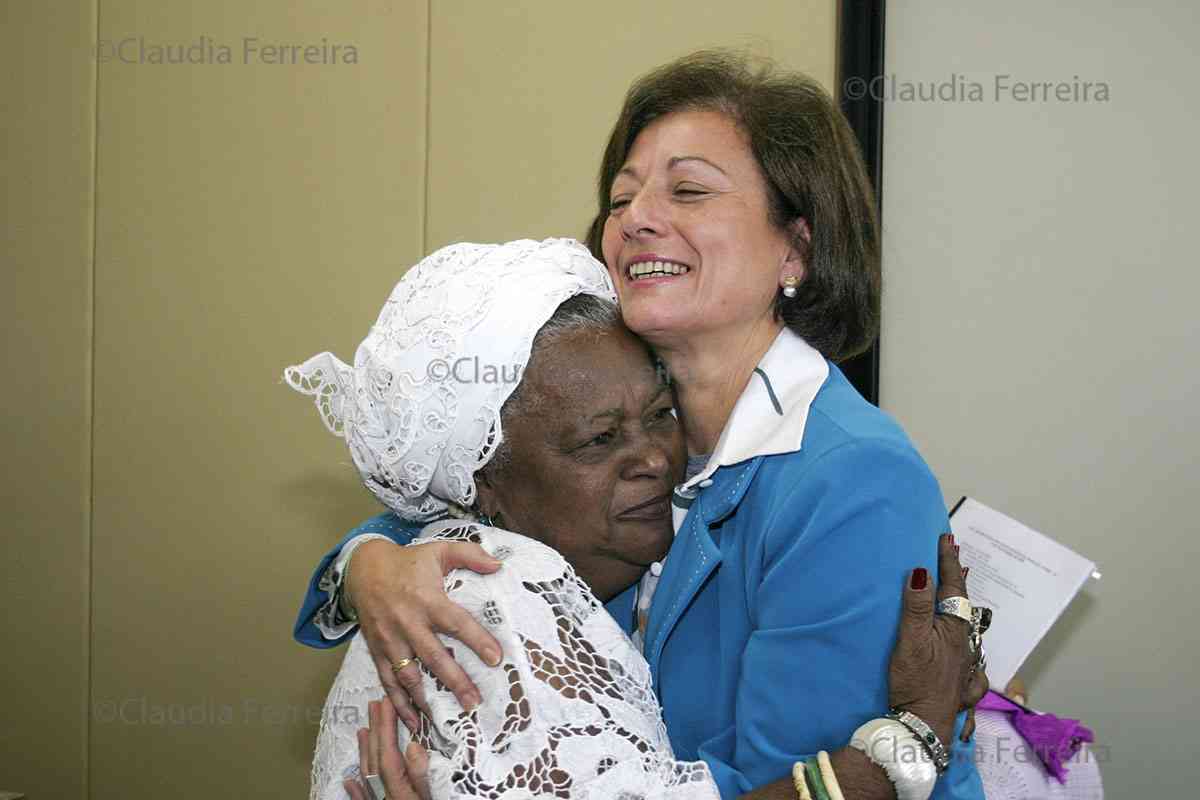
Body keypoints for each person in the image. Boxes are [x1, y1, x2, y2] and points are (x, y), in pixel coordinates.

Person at [295, 52, 990, 798]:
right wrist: (366, 565)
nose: (637, 221)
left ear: (797, 245)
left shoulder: (852, 478)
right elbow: (457, 499)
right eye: (622, 200)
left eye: (688, 190)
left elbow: (788, 780)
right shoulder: (634, 420)